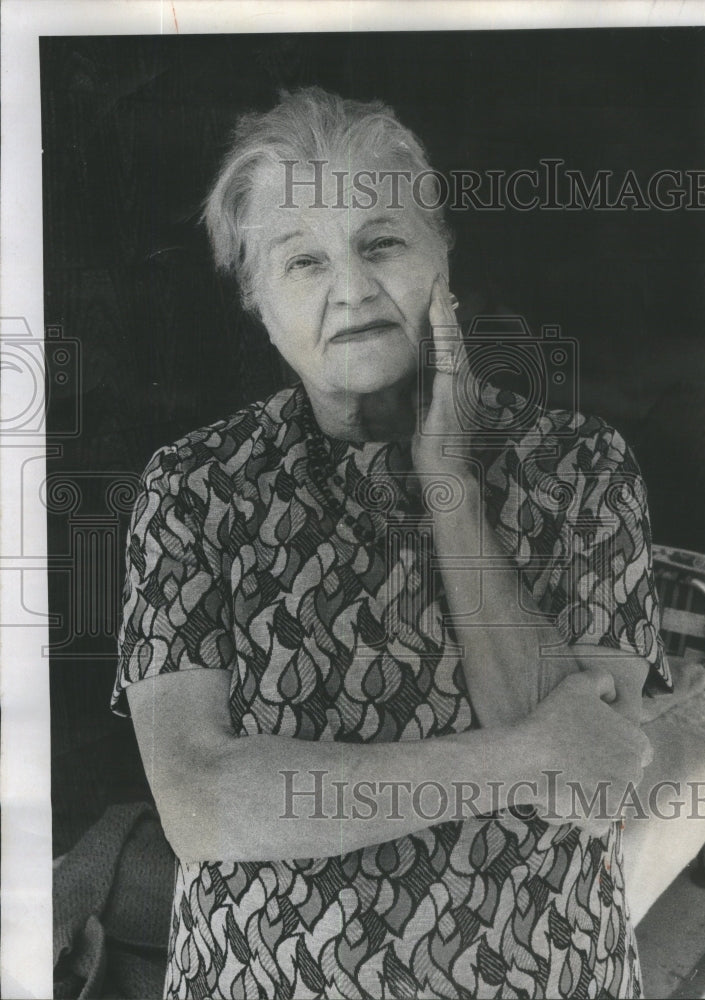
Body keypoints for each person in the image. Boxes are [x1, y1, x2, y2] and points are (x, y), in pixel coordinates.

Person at [112, 87, 670, 999]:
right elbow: (203, 804)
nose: (352, 289)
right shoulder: (194, 485)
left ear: (441, 256)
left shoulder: (580, 465)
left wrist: (448, 481)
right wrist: (523, 755)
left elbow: (591, 785)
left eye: (380, 243)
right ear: (257, 302)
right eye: (303, 261)